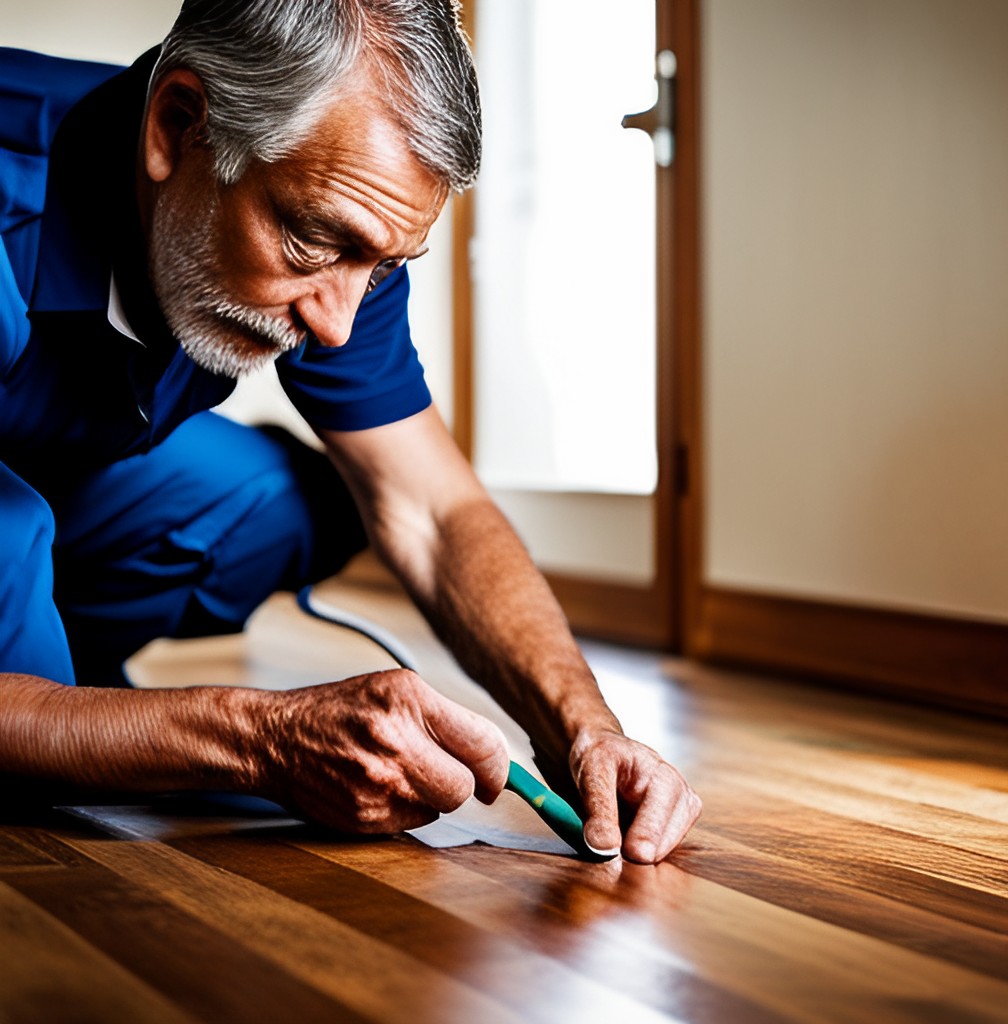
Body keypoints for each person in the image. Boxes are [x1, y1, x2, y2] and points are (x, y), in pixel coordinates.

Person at [0, 0, 701, 863]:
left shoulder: (342, 224)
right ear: (178, 125)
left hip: (59, 473)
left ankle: (56, 672)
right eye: (309, 243)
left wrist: (584, 727)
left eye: (379, 267)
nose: (337, 324)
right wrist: (260, 738)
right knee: (12, 526)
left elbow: (434, 513)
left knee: (287, 499)